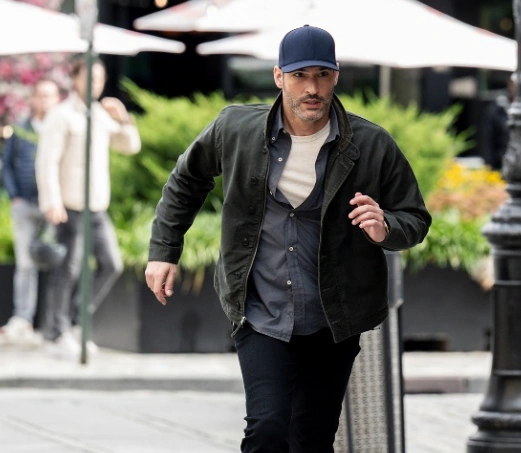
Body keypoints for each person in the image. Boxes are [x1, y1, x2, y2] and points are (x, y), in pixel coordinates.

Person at [145, 25, 431, 452]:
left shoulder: (372, 144)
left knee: (311, 439)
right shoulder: (236, 129)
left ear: (336, 76)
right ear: (279, 76)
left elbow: (416, 217)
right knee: (267, 429)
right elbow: (186, 181)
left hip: (332, 317)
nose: (311, 88)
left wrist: (385, 226)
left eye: (322, 75)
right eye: (300, 76)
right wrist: (164, 251)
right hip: (261, 310)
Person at [35, 55, 141, 357]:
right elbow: (47, 161)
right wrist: (51, 201)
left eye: (100, 78)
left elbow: (130, 146)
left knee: (111, 264)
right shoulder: (61, 115)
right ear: (75, 79)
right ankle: (57, 334)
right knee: (67, 269)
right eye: (89, 77)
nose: (96, 83)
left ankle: (73, 321)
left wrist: (123, 118)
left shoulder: (99, 114)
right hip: (69, 206)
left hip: (96, 207)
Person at [0, 79, 61, 346]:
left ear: (57, 99)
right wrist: (14, 196)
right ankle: (23, 318)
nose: (44, 100)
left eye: (49, 95)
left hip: (54, 206)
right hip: (24, 203)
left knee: (57, 261)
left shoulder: (59, 127)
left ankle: (55, 322)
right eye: (40, 95)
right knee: (25, 264)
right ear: (33, 98)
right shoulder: (21, 129)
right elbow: (7, 164)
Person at [481, 76, 515, 171]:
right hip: (499, 163)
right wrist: (489, 164)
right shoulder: (497, 109)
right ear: (510, 85)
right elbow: (488, 138)